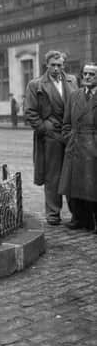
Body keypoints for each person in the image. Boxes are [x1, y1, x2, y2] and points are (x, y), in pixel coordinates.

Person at [24, 50, 78, 225]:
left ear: (64, 65)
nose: (56, 68)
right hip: (51, 136)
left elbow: (77, 105)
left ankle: (77, 214)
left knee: (71, 174)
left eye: (59, 65)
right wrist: (44, 128)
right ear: (46, 65)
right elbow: (30, 112)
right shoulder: (36, 84)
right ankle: (53, 213)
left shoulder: (72, 81)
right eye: (53, 65)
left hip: (70, 135)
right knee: (53, 176)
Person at [58, 62, 97, 233]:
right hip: (75, 145)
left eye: (92, 74)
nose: (87, 77)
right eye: (85, 74)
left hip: (93, 146)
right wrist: (69, 138)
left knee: (93, 185)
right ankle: (79, 219)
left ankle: (94, 221)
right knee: (75, 185)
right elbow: (65, 123)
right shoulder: (74, 96)